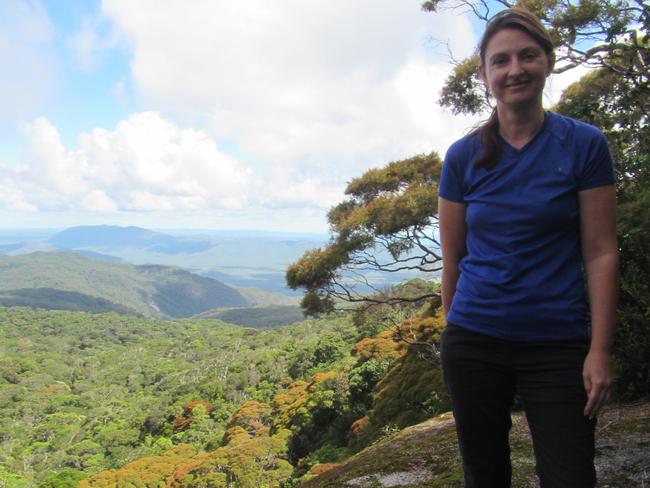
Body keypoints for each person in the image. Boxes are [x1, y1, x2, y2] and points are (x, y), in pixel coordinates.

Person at [437, 7, 618, 488]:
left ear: (548, 62)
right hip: (475, 339)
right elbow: (452, 259)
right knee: (485, 473)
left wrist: (599, 349)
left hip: (556, 341)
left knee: (571, 475)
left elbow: (600, 251)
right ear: (485, 75)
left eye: (527, 56)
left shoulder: (583, 145)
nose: (514, 69)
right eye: (500, 61)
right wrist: (452, 329)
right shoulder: (462, 157)